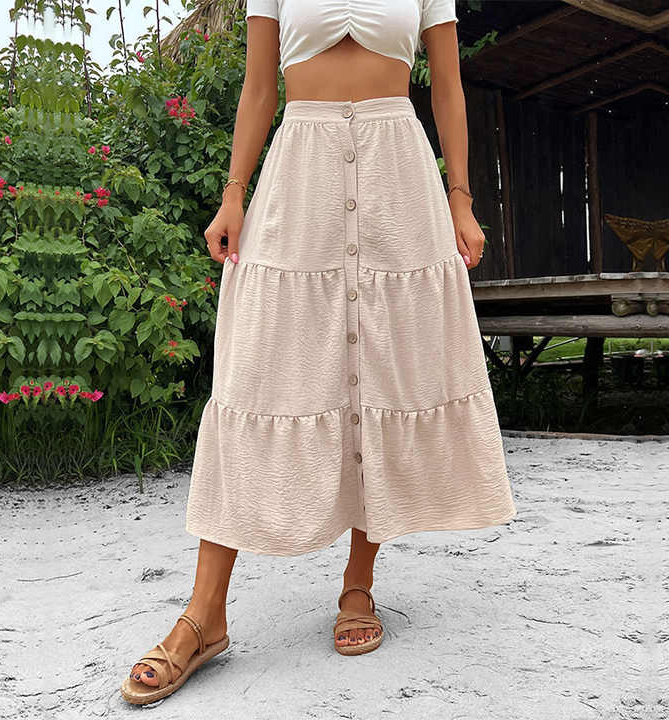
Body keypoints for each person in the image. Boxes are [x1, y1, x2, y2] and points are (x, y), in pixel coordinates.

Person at [121, 0, 517, 704]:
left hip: (398, 175)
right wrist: (233, 194)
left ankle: (358, 585)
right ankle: (205, 615)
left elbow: (448, 87)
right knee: (256, 378)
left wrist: (459, 197)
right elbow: (259, 88)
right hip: (298, 173)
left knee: (382, 374)